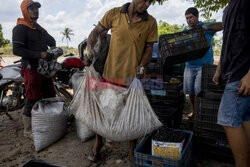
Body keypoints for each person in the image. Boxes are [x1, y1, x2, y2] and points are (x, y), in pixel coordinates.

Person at [85, 0, 158, 162]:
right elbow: (96, 32)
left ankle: (132, 150)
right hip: (110, 73)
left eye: (150, 1)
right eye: (144, 0)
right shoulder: (114, 13)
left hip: (132, 78)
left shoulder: (151, 22)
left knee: (131, 114)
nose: (146, 4)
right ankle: (98, 143)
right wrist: (90, 48)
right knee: (103, 111)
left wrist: (142, 65)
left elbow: (149, 48)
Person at [213, 0, 250, 166]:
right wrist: (219, 69)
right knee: (244, 118)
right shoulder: (228, 8)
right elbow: (228, 41)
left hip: (242, 74)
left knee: (227, 120)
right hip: (231, 73)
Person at [12, 0, 56, 138]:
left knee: (50, 94)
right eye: (32, 8)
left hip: (44, 68)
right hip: (31, 68)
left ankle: (49, 120)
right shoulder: (20, 28)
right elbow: (16, 50)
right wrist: (39, 54)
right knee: (32, 97)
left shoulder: (37, 28)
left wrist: (40, 28)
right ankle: (28, 129)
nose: (36, 10)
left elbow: (52, 42)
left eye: (37, 8)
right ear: (25, 11)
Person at [183, 7, 222, 114]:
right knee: (190, 92)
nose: (189, 20)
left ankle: (201, 112)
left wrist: (205, 28)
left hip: (203, 66)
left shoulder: (205, 26)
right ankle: (194, 111)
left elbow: (221, 25)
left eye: (191, 17)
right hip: (189, 65)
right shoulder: (186, 31)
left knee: (199, 91)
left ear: (197, 16)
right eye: (187, 18)